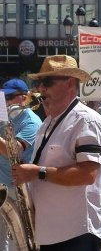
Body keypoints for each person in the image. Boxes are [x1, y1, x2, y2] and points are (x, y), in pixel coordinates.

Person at [12, 55, 101, 250]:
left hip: (76, 231)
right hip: (52, 230)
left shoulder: (87, 120)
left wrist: (36, 172)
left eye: (47, 82)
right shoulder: (48, 123)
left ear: (70, 83)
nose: (41, 89)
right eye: (39, 82)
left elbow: (87, 174)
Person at [0, 79, 42, 251]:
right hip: (3, 185)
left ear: (24, 98)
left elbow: (13, 151)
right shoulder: (4, 118)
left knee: (22, 241)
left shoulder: (31, 122)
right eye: (3, 97)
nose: (6, 101)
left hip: (19, 190)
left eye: (10, 97)